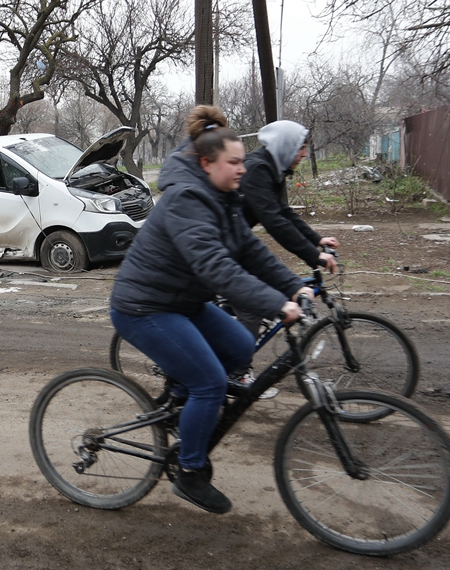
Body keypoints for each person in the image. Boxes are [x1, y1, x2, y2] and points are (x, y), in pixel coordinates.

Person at [109, 106, 312, 514]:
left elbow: (250, 251)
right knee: (211, 384)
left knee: (240, 346)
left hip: (183, 301)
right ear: (207, 163)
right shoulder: (187, 198)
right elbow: (216, 267)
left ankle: (177, 405)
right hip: (143, 306)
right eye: (234, 163)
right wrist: (277, 303)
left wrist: (292, 285)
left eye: (242, 161)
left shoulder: (224, 197)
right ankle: (190, 472)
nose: (243, 169)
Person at [235, 120, 340, 335]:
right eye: (300, 148)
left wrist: (317, 240)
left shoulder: (274, 168)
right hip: (225, 243)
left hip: (238, 240)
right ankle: (238, 367)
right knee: (252, 306)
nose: (304, 155)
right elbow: (274, 221)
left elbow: (283, 211)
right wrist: (315, 257)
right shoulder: (257, 169)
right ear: (285, 145)